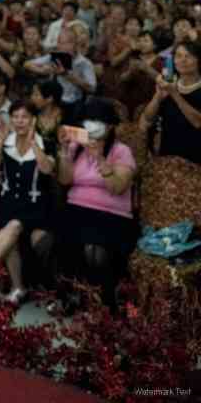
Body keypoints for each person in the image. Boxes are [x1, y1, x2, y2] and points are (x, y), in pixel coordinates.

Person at [57, 98, 137, 310]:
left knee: (95, 249)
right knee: (63, 238)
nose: (91, 124)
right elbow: (64, 180)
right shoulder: (76, 146)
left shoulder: (121, 151)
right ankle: (74, 295)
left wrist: (100, 159)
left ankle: (104, 304)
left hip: (112, 214)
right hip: (77, 209)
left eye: (96, 120)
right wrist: (64, 151)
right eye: (88, 119)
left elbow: (118, 187)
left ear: (109, 126)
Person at [0, 101, 57, 305]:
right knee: (12, 232)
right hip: (8, 205)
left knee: (14, 226)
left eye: (24, 117)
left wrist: (33, 143)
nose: (19, 121)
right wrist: (1, 139)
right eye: (15, 117)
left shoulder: (46, 143)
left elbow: (47, 169)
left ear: (33, 120)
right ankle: (17, 288)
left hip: (36, 208)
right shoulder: (7, 142)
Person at [139, 41, 201, 166]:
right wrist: (158, 97)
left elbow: (198, 122)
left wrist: (174, 93)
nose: (183, 60)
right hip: (168, 159)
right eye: (178, 56)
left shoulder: (172, 89)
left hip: (195, 161)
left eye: (188, 56)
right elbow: (147, 119)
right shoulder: (169, 85)